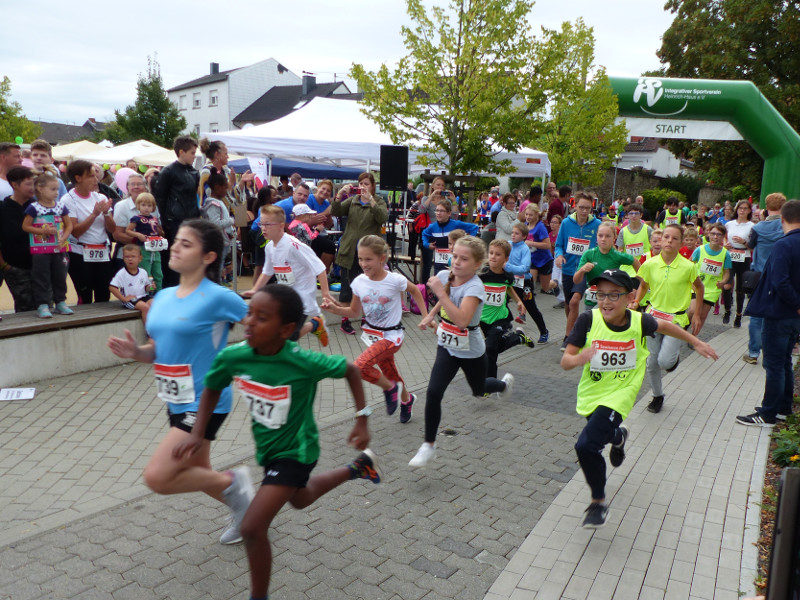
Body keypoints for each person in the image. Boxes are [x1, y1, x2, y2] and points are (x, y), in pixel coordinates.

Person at [173, 283, 379, 599]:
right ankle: (359, 467)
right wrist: (198, 432)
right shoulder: (235, 356)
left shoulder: (302, 362)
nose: (249, 322)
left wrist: (361, 419)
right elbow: (213, 386)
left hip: (298, 450)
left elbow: (351, 368)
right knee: (300, 498)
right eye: (249, 313)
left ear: (285, 329)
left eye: (262, 317)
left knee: (252, 528)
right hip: (268, 450)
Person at [107, 219, 252, 545]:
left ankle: (235, 482)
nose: (175, 247)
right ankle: (248, 514)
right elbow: (158, 350)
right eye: (177, 241)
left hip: (205, 401)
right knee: (198, 471)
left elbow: (261, 326)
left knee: (158, 477)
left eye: (187, 244)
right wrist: (136, 352)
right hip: (176, 399)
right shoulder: (163, 296)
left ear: (209, 256)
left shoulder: (218, 297)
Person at [562, 269, 717, 528]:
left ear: (630, 297)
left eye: (614, 295)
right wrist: (578, 358)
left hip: (622, 392)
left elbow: (667, 325)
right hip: (593, 392)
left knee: (586, 445)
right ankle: (618, 436)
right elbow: (566, 360)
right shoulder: (588, 319)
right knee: (601, 431)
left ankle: (598, 503)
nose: (607, 301)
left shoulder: (639, 321)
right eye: (601, 294)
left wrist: (694, 341)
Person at [411, 236, 513, 468]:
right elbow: (444, 295)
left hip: (471, 347)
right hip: (447, 344)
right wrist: (430, 314)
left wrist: (440, 294)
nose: (456, 262)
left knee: (479, 390)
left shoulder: (476, 287)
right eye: (454, 256)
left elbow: (462, 320)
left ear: (477, 264)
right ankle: (428, 445)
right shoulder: (447, 276)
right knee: (434, 391)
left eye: (463, 259)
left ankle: (502, 385)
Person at [322, 235, 427, 423]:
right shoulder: (359, 282)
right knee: (391, 373)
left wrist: (426, 316)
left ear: (382, 258)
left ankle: (390, 389)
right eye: (360, 259)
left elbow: (416, 290)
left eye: (368, 259)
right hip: (372, 335)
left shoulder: (395, 280)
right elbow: (354, 311)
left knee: (359, 367)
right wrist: (336, 309)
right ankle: (407, 400)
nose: (363, 263)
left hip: (392, 336)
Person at [735, 200, 800, 426]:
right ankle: (783, 407)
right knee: (784, 362)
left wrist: (796, 303)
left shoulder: (785, 244)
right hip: (793, 316)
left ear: (782, 219)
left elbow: (779, 281)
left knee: (773, 364)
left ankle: (768, 413)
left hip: (779, 312)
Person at [631, 224, 704, 413]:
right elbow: (644, 285)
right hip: (653, 318)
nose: (669, 241)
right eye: (666, 237)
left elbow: (699, 288)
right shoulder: (649, 264)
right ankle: (657, 396)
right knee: (651, 363)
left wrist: (696, 314)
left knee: (665, 362)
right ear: (660, 240)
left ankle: (673, 359)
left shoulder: (688, 266)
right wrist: (636, 300)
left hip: (676, 320)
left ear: (680, 243)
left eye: (674, 238)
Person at [244, 205, 330, 346]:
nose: (263, 228)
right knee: (281, 335)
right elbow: (267, 271)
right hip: (286, 297)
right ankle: (315, 324)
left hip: (302, 297)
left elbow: (319, 268)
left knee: (287, 339)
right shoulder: (269, 247)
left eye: (267, 224)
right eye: (261, 224)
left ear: (281, 226)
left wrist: (326, 294)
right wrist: (255, 290)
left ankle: (315, 324)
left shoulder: (293, 245)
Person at [331, 173, 388, 335]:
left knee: (368, 288)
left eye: (366, 184)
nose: (363, 187)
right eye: (361, 184)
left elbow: (382, 217)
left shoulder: (379, 201)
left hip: (368, 253)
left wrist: (371, 200)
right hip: (349, 250)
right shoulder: (353, 200)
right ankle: (345, 321)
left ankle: (366, 319)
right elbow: (336, 212)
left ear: (373, 186)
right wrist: (339, 195)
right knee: (347, 288)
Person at [743, 192, 787, 364]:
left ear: (767, 208)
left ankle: (753, 353)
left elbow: (751, 245)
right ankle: (774, 352)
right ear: (782, 208)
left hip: (760, 276)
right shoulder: (785, 227)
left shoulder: (758, 228)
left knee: (756, 316)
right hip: (781, 276)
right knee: (777, 315)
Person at [64, 160, 116, 304]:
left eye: (96, 175)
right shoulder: (68, 200)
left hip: (102, 251)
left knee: (104, 294)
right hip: (80, 252)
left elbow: (112, 229)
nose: (96, 180)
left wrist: (106, 214)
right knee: (85, 295)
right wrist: (94, 214)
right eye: (91, 176)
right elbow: (75, 231)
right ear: (78, 178)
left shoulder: (101, 197)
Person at [480, 239, 534, 379]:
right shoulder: (482, 274)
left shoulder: (507, 276)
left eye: (497, 254)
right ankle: (518, 338)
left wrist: (519, 301)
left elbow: (509, 288)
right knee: (492, 348)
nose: (493, 256)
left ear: (506, 258)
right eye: (491, 253)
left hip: (500, 318)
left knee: (490, 348)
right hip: (482, 319)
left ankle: (489, 382)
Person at [21, 173, 73, 318]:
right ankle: (43, 304)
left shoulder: (61, 206)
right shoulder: (34, 207)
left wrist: (64, 237)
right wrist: (42, 230)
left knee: (60, 275)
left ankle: (61, 302)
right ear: (40, 189)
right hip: (41, 250)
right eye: (52, 189)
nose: (56, 192)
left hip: (59, 247)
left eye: (57, 189)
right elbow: (25, 226)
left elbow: (69, 225)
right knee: (41, 276)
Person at [554, 192, 601, 350]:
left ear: (591, 208)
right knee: (569, 304)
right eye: (581, 207)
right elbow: (559, 244)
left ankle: (568, 338)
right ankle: (575, 331)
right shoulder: (567, 223)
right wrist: (559, 256)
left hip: (584, 271)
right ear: (575, 206)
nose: (584, 211)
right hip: (568, 269)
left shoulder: (596, 225)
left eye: (587, 208)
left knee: (574, 301)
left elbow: (600, 246)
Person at [153, 135, 200, 288]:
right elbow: (160, 198)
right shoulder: (168, 171)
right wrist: (165, 223)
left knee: (191, 254)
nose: (194, 156)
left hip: (191, 220)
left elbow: (194, 197)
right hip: (175, 221)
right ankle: (173, 287)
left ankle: (189, 285)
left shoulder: (194, 172)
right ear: (181, 152)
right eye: (192, 153)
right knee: (176, 255)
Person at [573, 221, 638, 312]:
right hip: (591, 301)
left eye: (608, 236)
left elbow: (634, 261)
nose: (603, 239)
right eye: (600, 235)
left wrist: (638, 283)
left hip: (610, 301)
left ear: (614, 238)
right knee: (590, 324)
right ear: (596, 236)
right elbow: (576, 280)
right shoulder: (589, 254)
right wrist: (582, 270)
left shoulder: (617, 255)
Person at [0, 167, 37, 313]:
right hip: (15, 267)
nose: (33, 187)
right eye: (28, 184)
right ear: (15, 185)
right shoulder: (3, 209)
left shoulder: (39, 206)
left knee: (45, 304)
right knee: (25, 307)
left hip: (40, 265)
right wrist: (5, 265)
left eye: (34, 183)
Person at [506, 222, 549, 343]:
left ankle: (544, 331)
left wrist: (507, 267)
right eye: (512, 233)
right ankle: (505, 328)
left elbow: (524, 268)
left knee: (531, 308)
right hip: (510, 282)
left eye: (517, 233)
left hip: (524, 283)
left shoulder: (525, 249)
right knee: (502, 304)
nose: (513, 235)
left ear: (524, 236)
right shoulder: (508, 245)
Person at [688, 222, 731, 330]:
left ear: (723, 237)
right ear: (708, 234)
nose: (715, 237)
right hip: (697, 286)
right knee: (692, 311)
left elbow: (726, 272)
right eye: (713, 234)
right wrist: (690, 280)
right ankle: (684, 327)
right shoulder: (700, 250)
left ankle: (694, 338)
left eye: (719, 234)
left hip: (712, 289)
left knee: (702, 316)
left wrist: (723, 281)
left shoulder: (726, 254)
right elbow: (689, 265)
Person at [421, 199, 480, 275]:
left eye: (441, 211)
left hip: (454, 264)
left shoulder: (456, 224)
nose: (438, 213)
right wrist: (427, 244)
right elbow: (424, 234)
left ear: (449, 213)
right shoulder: (432, 227)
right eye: (437, 210)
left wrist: (467, 243)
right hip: (438, 264)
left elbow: (474, 228)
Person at [417, 177, 455, 283]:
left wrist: (454, 201)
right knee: (427, 264)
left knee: (443, 264)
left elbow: (455, 216)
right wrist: (432, 196)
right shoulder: (426, 198)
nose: (440, 187)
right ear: (433, 186)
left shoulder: (446, 201)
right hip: (430, 234)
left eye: (442, 185)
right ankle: (425, 288)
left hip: (443, 235)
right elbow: (421, 210)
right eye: (438, 185)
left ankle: (442, 286)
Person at [723, 200, 755, 328]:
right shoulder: (730, 224)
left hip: (744, 256)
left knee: (740, 289)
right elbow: (724, 237)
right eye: (740, 208)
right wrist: (725, 244)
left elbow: (752, 246)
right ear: (736, 210)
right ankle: (727, 311)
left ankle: (738, 315)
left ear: (749, 211)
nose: (742, 210)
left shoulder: (752, 226)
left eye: (745, 208)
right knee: (726, 284)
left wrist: (743, 242)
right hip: (730, 256)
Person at [126, 193, 166, 290]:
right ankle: (147, 293)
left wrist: (161, 234)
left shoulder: (154, 219)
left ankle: (158, 292)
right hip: (143, 248)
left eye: (149, 205)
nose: (146, 208)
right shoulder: (137, 218)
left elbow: (159, 232)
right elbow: (128, 230)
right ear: (138, 206)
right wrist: (138, 235)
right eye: (143, 205)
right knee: (146, 272)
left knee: (158, 273)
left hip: (155, 248)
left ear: (153, 207)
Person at [201, 171, 236, 282]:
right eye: (225, 188)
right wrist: (230, 221)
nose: (226, 191)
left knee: (219, 267)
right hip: (219, 241)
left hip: (223, 240)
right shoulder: (213, 204)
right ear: (217, 187)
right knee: (216, 268)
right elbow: (215, 223)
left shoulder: (218, 202)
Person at [108, 244, 154, 323]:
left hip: (143, 296)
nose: (130, 259)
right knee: (145, 307)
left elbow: (146, 288)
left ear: (140, 258)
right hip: (131, 299)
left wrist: (152, 287)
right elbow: (112, 287)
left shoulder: (143, 272)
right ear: (123, 258)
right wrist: (123, 298)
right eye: (127, 257)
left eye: (133, 256)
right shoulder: (122, 273)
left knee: (156, 304)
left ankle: (158, 328)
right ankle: (149, 332)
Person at [522, 203, 556, 298]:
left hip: (544, 260)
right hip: (532, 259)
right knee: (529, 284)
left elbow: (547, 245)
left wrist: (531, 243)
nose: (528, 217)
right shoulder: (525, 226)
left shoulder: (540, 227)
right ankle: (527, 303)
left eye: (531, 215)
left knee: (545, 287)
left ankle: (555, 284)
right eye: (526, 214)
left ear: (537, 215)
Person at [615, 203, 651, 278]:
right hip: (627, 268)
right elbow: (620, 251)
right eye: (631, 213)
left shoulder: (648, 229)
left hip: (644, 266)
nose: (634, 216)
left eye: (636, 213)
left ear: (641, 215)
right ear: (628, 215)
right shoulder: (623, 231)